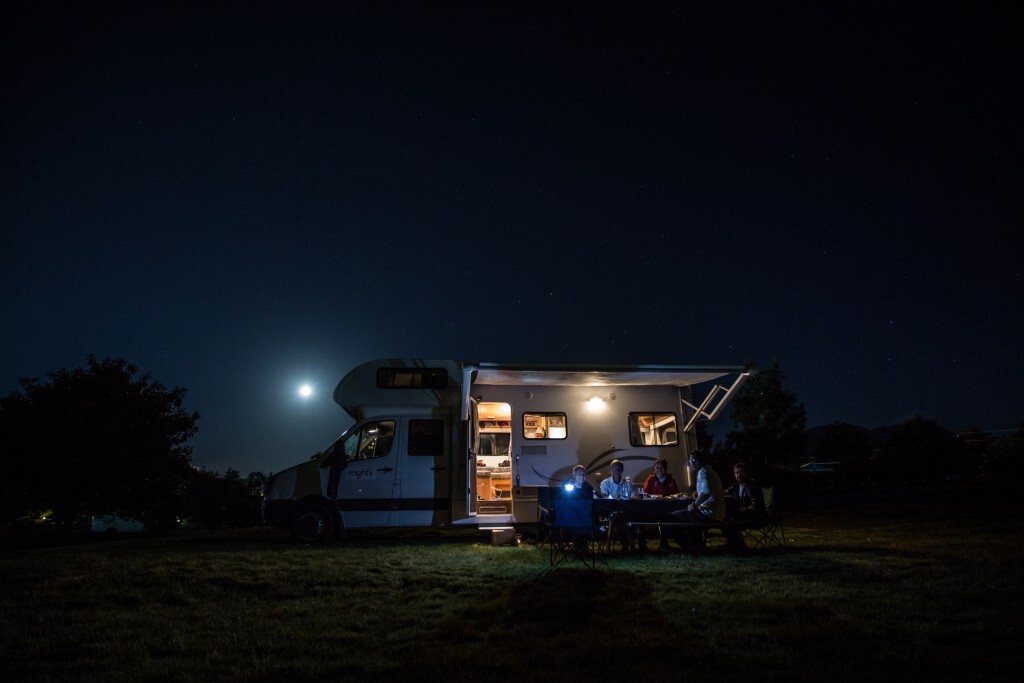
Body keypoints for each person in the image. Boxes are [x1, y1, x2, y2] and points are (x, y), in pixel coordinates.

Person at [671, 450, 725, 551]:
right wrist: (698, 494)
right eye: (690, 460)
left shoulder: (703, 472)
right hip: (717, 512)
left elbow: (705, 492)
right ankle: (697, 544)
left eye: (694, 460)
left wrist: (694, 505)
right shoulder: (710, 472)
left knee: (674, 517)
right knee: (687, 516)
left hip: (708, 513)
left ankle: (689, 546)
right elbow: (707, 491)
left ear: (703, 461)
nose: (691, 462)